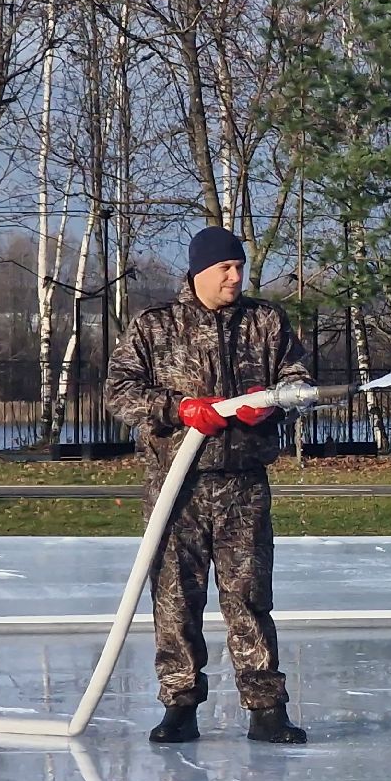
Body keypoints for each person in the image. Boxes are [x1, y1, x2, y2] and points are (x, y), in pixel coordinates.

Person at [105, 226, 311, 744]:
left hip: (243, 486)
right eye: (225, 268)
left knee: (249, 597)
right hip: (178, 489)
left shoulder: (265, 321)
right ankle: (180, 706)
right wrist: (177, 410)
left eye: (240, 267)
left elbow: (301, 381)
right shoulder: (154, 327)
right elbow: (119, 391)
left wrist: (268, 402)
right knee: (176, 599)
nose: (236, 277)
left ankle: (266, 709)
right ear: (199, 271)